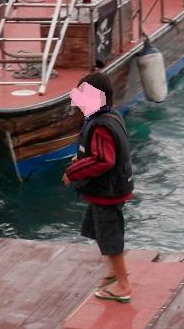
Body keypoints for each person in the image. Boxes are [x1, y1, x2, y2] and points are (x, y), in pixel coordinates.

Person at [62, 72, 134, 303]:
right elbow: (100, 151)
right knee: (97, 230)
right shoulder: (110, 116)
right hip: (105, 190)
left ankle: (123, 286)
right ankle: (113, 272)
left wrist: (72, 172)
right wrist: (80, 158)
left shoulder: (101, 125)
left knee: (110, 237)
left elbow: (104, 160)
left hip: (108, 192)